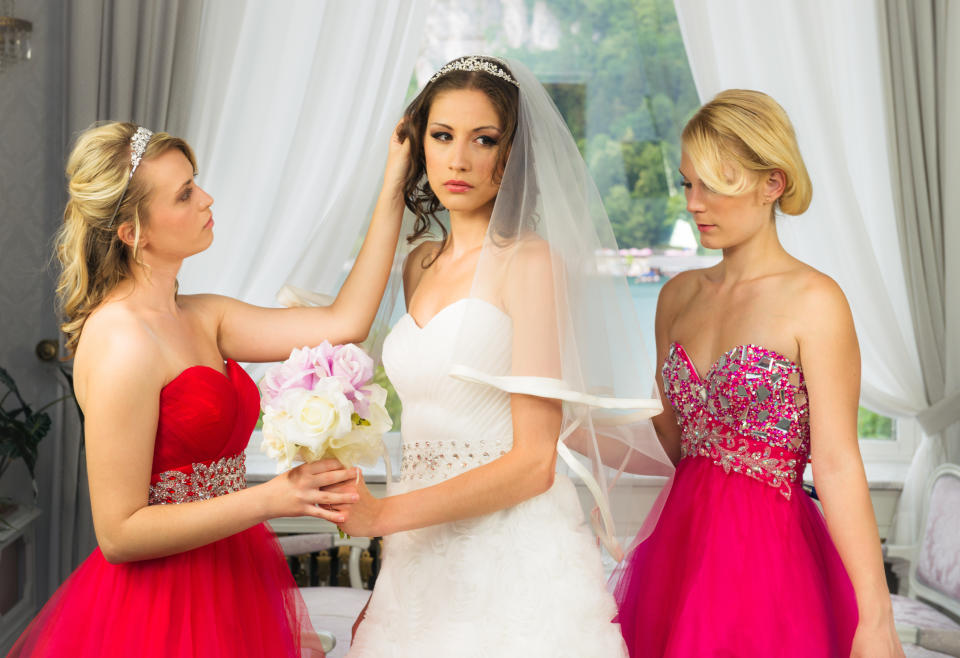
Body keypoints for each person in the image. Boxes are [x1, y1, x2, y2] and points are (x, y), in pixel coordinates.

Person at [10, 119, 409, 657]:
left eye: (195, 182)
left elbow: (348, 319)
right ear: (134, 232)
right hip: (160, 606)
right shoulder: (120, 339)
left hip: (234, 575)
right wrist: (273, 496)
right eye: (185, 193)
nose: (207, 198)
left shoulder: (203, 316)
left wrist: (393, 184)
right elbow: (120, 534)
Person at [339, 55, 672, 657]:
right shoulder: (420, 263)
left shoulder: (531, 261)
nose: (458, 160)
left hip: (513, 554)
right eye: (440, 137)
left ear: (513, 154)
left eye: (483, 140)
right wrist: (393, 178)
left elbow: (532, 463)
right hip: (418, 553)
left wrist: (383, 515)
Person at [611, 89, 904, 657]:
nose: (694, 203)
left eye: (715, 186)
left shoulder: (816, 301)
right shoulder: (676, 297)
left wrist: (875, 618)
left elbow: (838, 463)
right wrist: (567, 419)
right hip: (677, 551)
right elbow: (668, 442)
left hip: (770, 561)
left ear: (773, 183)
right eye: (687, 183)